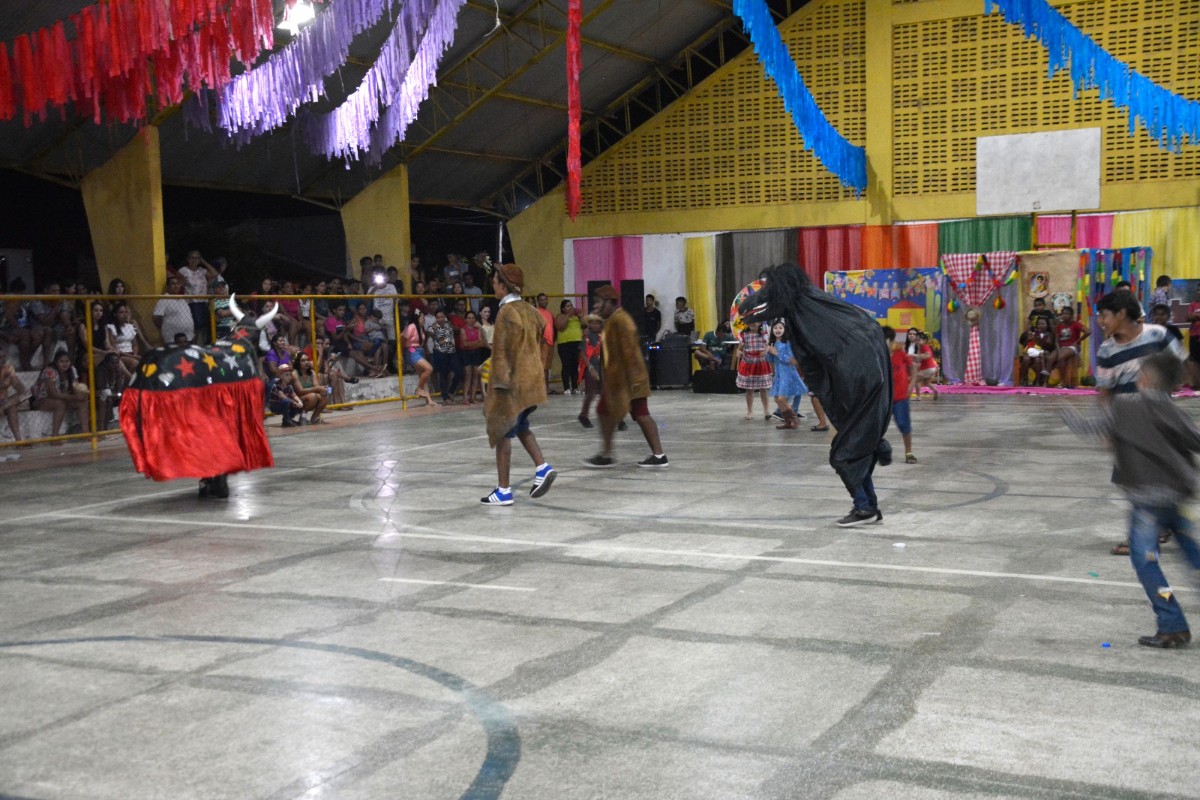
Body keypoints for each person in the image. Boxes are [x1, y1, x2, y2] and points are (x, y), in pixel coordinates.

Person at [736, 264, 892, 528]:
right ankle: (869, 503)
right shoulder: (810, 304)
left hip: (860, 384)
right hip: (859, 384)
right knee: (854, 447)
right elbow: (755, 308)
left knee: (842, 454)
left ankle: (864, 506)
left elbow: (760, 307)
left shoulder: (808, 307)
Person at [1062, 352, 1200, 648]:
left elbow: (1088, 427)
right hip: (1177, 497)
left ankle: (1171, 623)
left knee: (1146, 561)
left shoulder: (1124, 406)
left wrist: (1064, 410)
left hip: (1146, 502)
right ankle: (1173, 620)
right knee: (1192, 554)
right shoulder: (1175, 411)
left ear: (1145, 379)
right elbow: (1196, 440)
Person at [481, 263, 556, 505]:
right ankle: (542, 467)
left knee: (503, 432)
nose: (492, 285)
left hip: (512, 383)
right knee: (522, 427)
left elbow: (502, 352)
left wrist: (496, 389)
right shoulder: (529, 309)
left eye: (494, 281)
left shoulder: (505, 312)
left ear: (503, 285)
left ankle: (503, 491)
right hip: (532, 381)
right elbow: (542, 330)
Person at [582, 285, 668, 469]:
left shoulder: (621, 321)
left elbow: (629, 355)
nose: (596, 306)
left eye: (599, 302)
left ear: (609, 302)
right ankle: (607, 453)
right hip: (619, 380)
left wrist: (629, 382)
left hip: (629, 380)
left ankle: (658, 455)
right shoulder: (613, 320)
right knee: (605, 411)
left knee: (641, 414)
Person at [30, 350, 91, 437]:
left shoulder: (72, 370)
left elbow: (75, 387)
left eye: (67, 361)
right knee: (60, 404)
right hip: (42, 400)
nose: (65, 364)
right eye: (61, 361)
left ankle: (85, 432)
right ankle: (55, 435)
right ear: (56, 362)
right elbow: (53, 394)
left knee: (83, 401)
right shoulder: (50, 371)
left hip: (63, 397)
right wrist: (74, 397)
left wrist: (81, 393)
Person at [883, 326, 918, 463]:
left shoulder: (900, 354)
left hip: (900, 398)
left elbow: (913, 368)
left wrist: (911, 386)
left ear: (891, 340)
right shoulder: (879, 355)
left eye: (887, 341)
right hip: (883, 399)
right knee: (876, 427)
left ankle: (908, 452)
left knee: (905, 425)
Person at [766, 319, 806, 430]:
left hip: (788, 374)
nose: (777, 330)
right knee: (777, 399)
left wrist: (777, 353)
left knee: (782, 398)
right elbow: (771, 359)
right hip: (779, 374)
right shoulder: (773, 343)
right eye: (775, 328)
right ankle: (787, 421)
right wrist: (767, 352)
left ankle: (794, 419)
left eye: (780, 328)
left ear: (784, 330)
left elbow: (792, 360)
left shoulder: (787, 343)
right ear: (772, 330)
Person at [177, 250, 220, 345]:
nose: (194, 260)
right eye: (192, 257)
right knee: (196, 326)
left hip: (203, 301)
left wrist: (203, 262)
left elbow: (215, 274)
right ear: (188, 259)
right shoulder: (183, 271)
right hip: (191, 302)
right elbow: (180, 284)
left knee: (203, 326)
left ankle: (201, 344)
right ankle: (193, 345)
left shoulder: (201, 271)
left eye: (196, 258)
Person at [735, 322, 772, 420]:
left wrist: (766, 351)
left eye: (754, 321)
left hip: (761, 363)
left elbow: (768, 346)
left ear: (759, 323)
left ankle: (766, 410)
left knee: (763, 388)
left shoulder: (764, 334)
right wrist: (738, 352)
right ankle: (749, 411)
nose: (752, 323)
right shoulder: (744, 335)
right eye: (750, 321)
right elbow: (739, 349)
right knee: (749, 389)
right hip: (749, 363)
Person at [427, 309, 462, 404]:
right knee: (443, 375)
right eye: (438, 317)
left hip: (452, 351)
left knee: (459, 372)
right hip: (440, 352)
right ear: (435, 318)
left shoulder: (449, 324)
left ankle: (451, 392)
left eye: (442, 317)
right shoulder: (432, 328)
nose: (440, 319)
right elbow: (432, 339)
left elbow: (452, 334)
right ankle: (445, 397)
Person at [1050, 306, 1089, 388]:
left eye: (1067, 313)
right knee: (1050, 358)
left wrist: (1077, 342)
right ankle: (1045, 382)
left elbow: (1088, 332)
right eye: (1063, 313)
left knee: (1061, 357)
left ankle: (1064, 382)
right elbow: (1056, 340)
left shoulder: (1076, 324)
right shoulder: (1059, 325)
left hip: (1072, 347)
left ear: (1071, 315)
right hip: (1061, 347)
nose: (1064, 315)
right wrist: (1058, 349)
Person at [577, 312, 603, 428]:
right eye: (593, 322)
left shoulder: (601, 336)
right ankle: (584, 415)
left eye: (597, 323)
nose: (595, 325)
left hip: (601, 366)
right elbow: (583, 354)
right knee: (590, 394)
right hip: (591, 367)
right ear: (589, 324)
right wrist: (590, 367)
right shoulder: (586, 337)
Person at [152, 275, 194, 345]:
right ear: (168, 287)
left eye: (177, 284)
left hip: (187, 337)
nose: (176, 286)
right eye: (173, 284)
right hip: (172, 338)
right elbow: (156, 317)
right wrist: (166, 327)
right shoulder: (164, 299)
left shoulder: (183, 299)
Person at [554, 299, 583, 395]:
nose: (570, 308)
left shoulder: (576, 317)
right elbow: (559, 326)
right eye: (567, 306)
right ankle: (567, 387)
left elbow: (584, 326)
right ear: (563, 308)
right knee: (566, 365)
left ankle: (575, 387)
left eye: (571, 305)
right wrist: (567, 315)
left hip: (576, 343)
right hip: (564, 344)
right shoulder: (560, 316)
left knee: (575, 365)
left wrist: (580, 316)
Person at [458, 310, 487, 404]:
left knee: (475, 375)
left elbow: (482, 342)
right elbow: (465, 343)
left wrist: (473, 344)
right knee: (468, 375)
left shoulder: (478, 329)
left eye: (473, 318)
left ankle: (472, 397)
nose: (471, 319)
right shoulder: (463, 329)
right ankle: (465, 397)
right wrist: (476, 343)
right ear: (465, 319)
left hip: (476, 353)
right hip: (466, 354)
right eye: (469, 318)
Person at [1018, 316, 1056, 387]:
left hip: (1042, 354)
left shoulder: (1049, 335)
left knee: (1037, 361)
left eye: (1043, 324)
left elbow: (1050, 346)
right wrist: (1028, 339)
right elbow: (1021, 341)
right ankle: (1023, 378)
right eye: (1039, 324)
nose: (1040, 326)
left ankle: (1037, 381)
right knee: (1026, 359)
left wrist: (1039, 340)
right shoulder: (1032, 333)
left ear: (1047, 325)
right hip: (1031, 352)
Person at [0, 349, 27, 442]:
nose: (2, 360)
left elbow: (21, 389)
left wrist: (13, 379)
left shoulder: (7, 368)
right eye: (0, 357)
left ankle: (18, 440)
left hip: (4, 402)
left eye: (4, 357)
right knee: (12, 406)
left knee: (25, 396)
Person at [268, 363, 305, 427]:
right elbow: (282, 396)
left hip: (285, 404)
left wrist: (299, 401)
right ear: (280, 376)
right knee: (287, 401)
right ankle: (287, 419)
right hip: (275, 406)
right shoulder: (277, 385)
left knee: (297, 403)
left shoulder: (289, 386)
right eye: (287, 375)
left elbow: (294, 395)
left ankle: (289, 419)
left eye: (290, 375)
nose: (289, 377)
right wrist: (293, 402)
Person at [534, 292, 556, 393]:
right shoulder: (536, 312)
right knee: (541, 367)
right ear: (538, 301)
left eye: (545, 299)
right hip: (541, 343)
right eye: (541, 300)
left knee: (546, 368)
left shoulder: (549, 312)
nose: (544, 301)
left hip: (550, 343)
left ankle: (546, 388)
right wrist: (539, 338)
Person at [912, 331, 939, 399]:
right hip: (931, 368)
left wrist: (919, 356)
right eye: (916, 340)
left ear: (924, 341)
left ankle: (918, 396)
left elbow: (928, 355)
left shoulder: (924, 346)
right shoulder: (921, 348)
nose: (917, 342)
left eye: (919, 340)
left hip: (928, 368)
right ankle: (935, 390)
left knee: (916, 380)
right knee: (926, 382)